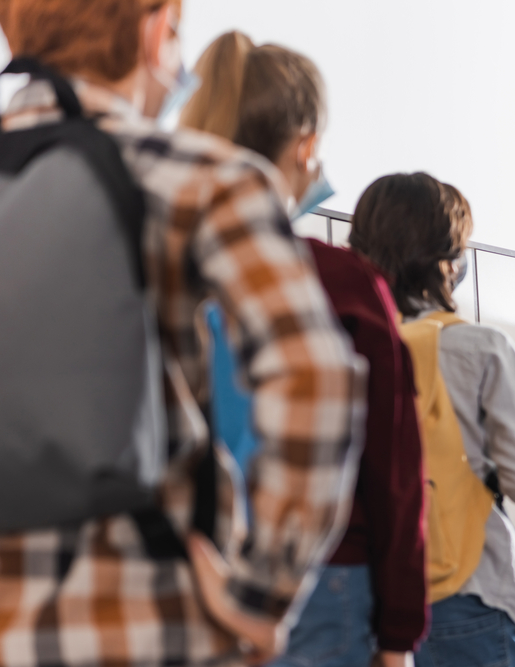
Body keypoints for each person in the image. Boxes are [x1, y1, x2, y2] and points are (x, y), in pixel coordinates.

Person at [0, 2, 365, 665]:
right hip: (157, 623)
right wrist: (261, 591)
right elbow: (315, 378)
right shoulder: (205, 177)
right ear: (156, 33)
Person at [180, 32, 428, 667]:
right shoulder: (340, 283)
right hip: (325, 582)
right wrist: (399, 633)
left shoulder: (161, 265)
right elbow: (392, 470)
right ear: (305, 146)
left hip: (189, 576)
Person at [347, 172, 515, 667]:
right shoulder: (481, 348)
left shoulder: (342, 341)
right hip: (467, 592)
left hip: (361, 598)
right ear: (448, 259)